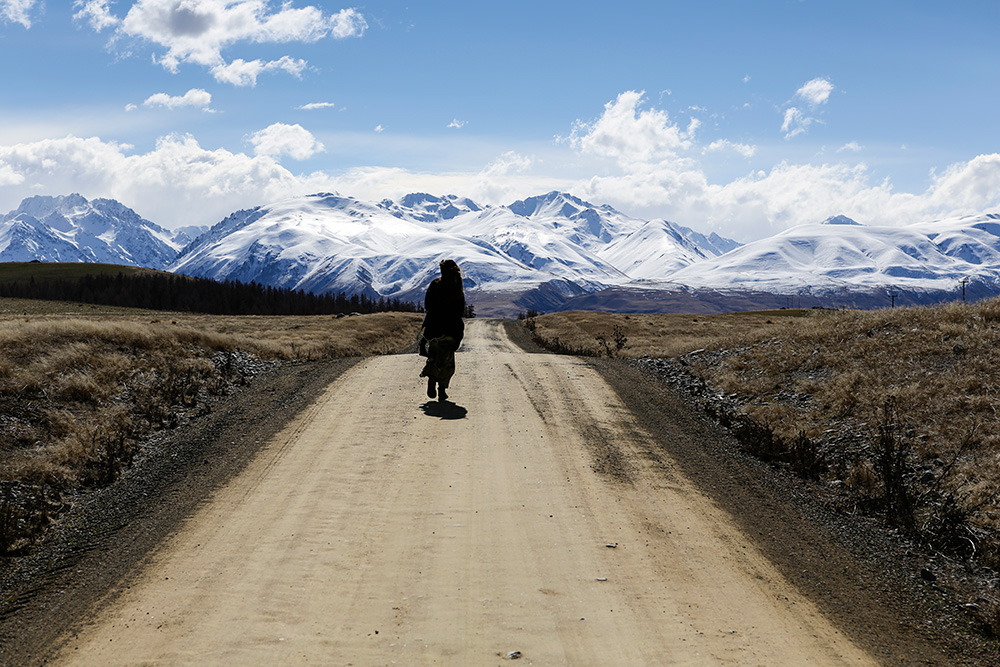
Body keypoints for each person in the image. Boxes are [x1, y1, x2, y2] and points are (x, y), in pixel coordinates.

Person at [419, 259, 465, 401]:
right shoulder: (457, 285)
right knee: (448, 360)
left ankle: (432, 378)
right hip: (451, 328)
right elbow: (460, 308)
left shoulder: (435, 284)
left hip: (434, 328)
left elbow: (428, 305)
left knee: (434, 355)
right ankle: (442, 390)